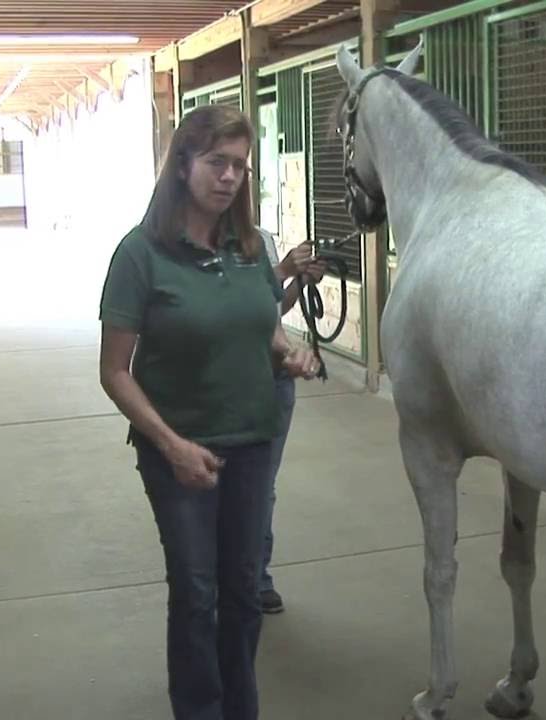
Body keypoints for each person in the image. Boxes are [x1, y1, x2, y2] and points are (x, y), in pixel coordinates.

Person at [97, 103, 320, 720]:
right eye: (217, 162)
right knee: (197, 594)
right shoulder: (140, 255)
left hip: (252, 441)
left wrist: (288, 351)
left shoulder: (250, 248)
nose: (229, 177)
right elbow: (114, 371)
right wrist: (171, 445)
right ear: (182, 166)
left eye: (240, 167)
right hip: (179, 454)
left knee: (243, 593)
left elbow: (262, 327)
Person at [256, 229, 326, 614]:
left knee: (262, 485)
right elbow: (239, 300)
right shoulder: (201, 242)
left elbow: (273, 308)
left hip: (274, 379)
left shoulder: (260, 239)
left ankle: (256, 577)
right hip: (236, 381)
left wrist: (297, 280)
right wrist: (282, 269)